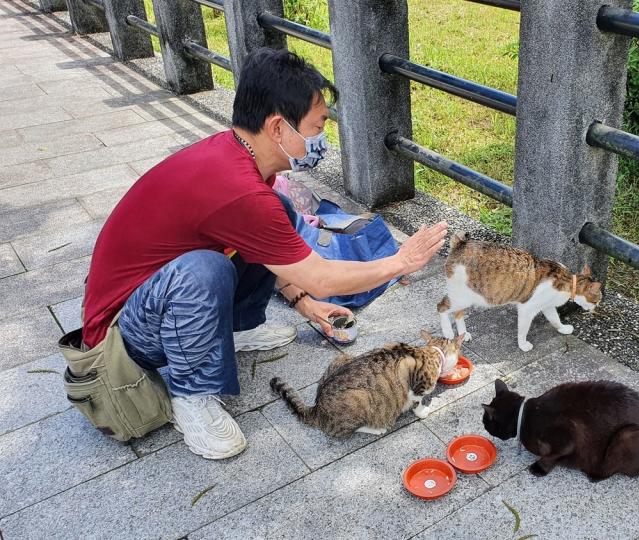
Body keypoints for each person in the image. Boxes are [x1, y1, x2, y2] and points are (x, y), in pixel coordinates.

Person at [81, 48, 447, 459]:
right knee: (205, 270)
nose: (321, 139)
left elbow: (276, 254)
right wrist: (399, 262)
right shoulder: (238, 188)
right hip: (118, 337)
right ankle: (192, 396)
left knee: (281, 215)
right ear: (278, 127)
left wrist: (302, 301)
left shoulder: (242, 161)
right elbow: (321, 276)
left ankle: (235, 328)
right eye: (317, 126)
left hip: (153, 300)